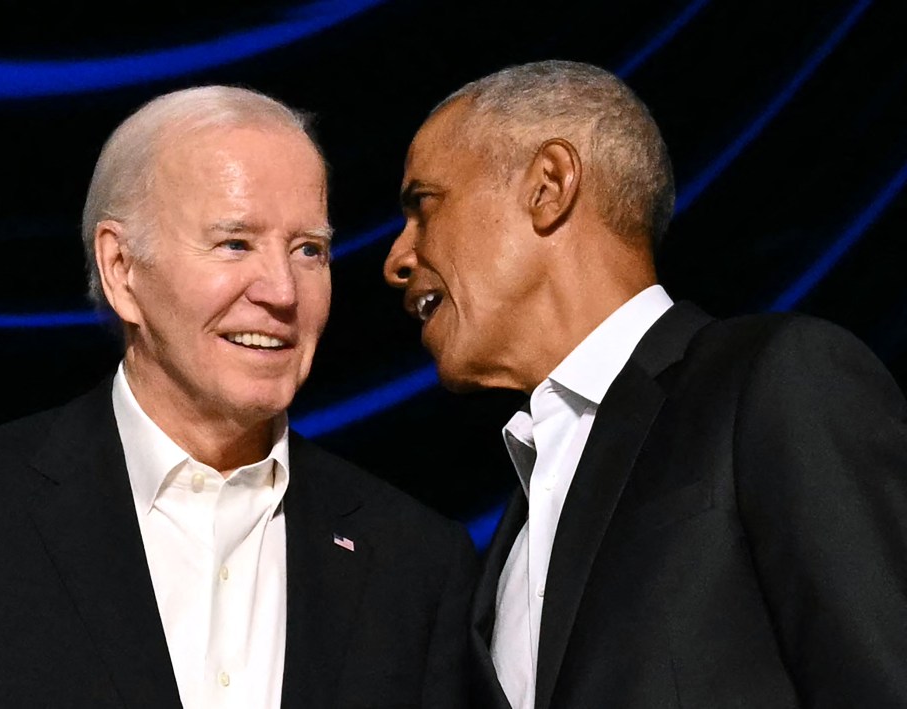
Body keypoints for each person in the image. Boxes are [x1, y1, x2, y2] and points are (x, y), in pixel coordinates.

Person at [0, 85, 476, 708]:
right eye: (235, 243)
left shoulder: (416, 564)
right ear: (122, 268)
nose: (281, 291)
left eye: (309, 250)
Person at [383, 60, 907, 708]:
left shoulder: (775, 380)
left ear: (549, 186)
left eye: (423, 206)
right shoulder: (505, 547)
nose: (396, 259)